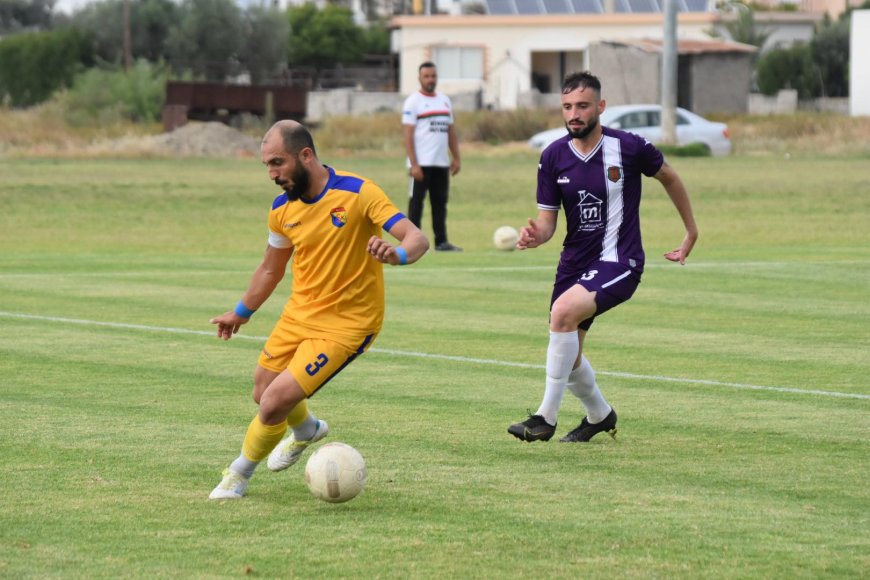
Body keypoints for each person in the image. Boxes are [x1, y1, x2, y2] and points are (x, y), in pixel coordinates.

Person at [208, 120, 429, 499]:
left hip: (348, 324)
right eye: (267, 166)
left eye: (277, 163)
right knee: (263, 392)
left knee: (275, 403)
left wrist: (397, 254)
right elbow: (270, 269)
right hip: (300, 313)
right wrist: (240, 312)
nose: (272, 174)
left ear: (305, 155)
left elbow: (417, 238)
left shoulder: (359, 192)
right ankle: (308, 429)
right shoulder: (282, 209)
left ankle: (237, 475)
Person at [507, 71, 698, 443]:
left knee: (562, 316)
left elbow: (670, 177)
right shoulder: (552, 157)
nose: (574, 114)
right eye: (567, 107)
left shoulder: (628, 147)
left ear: (600, 107)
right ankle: (600, 414)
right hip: (573, 263)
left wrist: (691, 230)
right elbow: (548, 223)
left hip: (620, 260)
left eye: (582, 106)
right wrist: (535, 236)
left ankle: (545, 417)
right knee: (570, 352)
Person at [402, 61, 463, 252]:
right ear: (419, 78)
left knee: (440, 203)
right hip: (421, 163)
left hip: (440, 163)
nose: (430, 80)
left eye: (433, 76)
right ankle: (413, 242)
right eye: (427, 76)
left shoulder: (444, 100)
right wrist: (414, 164)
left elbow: (450, 131)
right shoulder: (413, 101)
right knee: (416, 203)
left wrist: (456, 157)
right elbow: (408, 135)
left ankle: (441, 241)